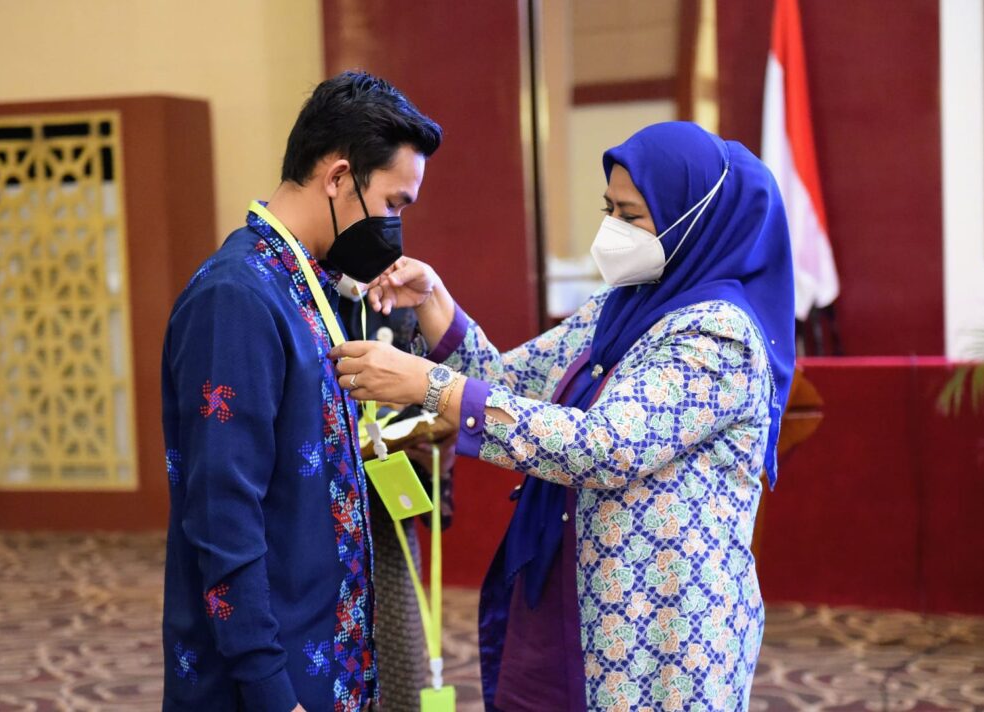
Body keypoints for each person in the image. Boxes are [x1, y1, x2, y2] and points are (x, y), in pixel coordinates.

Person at [328, 122, 795, 710]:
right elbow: (511, 383)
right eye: (609, 208)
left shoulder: (718, 335)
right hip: (570, 591)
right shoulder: (623, 305)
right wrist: (433, 303)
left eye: (631, 215)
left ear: (692, 220)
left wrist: (431, 386)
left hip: (658, 627)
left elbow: (605, 446)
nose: (612, 229)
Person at [159, 71, 442, 712]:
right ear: (339, 177)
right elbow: (221, 515)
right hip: (271, 677)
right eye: (394, 204)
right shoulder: (237, 296)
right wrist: (268, 688)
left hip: (325, 650)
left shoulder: (306, 283)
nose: (396, 225)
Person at [336, 286, 458, 712]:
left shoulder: (400, 304)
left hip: (386, 511)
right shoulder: (297, 301)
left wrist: (436, 457)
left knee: (398, 650)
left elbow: (437, 402)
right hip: (314, 517)